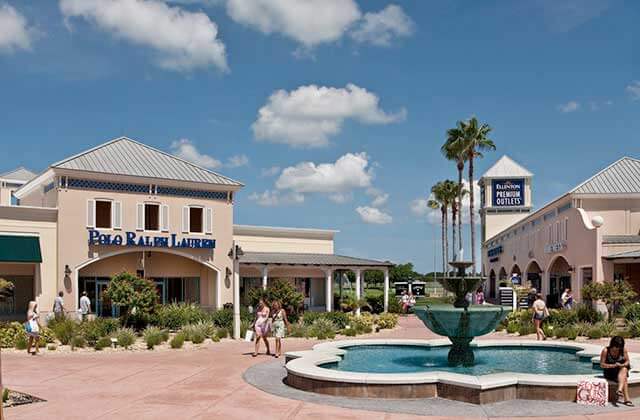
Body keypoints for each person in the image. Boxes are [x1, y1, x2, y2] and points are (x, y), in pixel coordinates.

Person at [600, 336, 633, 406]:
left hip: (620, 370)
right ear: (612, 345)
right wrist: (612, 365)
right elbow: (602, 365)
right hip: (610, 372)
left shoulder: (623, 350)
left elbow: (627, 361)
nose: (618, 349)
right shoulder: (606, 350)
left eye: (619, 347)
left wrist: (622, 365)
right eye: (616, 347)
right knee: (625, 378)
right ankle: (626, 399)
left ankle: (619, 390)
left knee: (624, 368)